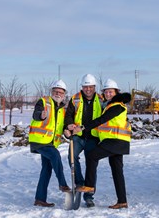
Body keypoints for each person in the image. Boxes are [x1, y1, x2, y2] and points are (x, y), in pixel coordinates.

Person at [72, 79, 132, 209]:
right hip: (117, 142)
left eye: (111, 91)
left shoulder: (117, 106)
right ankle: (122, 201)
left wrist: (82, 128)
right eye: (106, 92)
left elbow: (101, 120)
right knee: (117, 171)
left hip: (115, 141)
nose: (108, 94)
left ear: (116, 92)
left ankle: (89, 185)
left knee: (92, 155)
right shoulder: (111, 105)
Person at [29, 79, 71, 207]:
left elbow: (61, 126)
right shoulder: (44, 102)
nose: (58, 93)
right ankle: (63, 184)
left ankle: (40, 199)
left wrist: (66, 131)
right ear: (52, 92)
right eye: (56, 91)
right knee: (55, 156)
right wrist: (41, 115)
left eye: (60, 92)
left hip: (50, 142)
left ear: (64, 94)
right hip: (40, 140)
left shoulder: (63, 109)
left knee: (46, 169)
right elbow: (36, 114)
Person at [63, 73, 103, 207]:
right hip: (78, 136)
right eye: (85, 87)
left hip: (93, 137)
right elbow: (68, 115)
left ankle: (89, 195)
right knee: (72, 157)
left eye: (90, 87)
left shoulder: (101, 99)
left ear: (94, 87)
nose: (88, 89)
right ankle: (79, 183)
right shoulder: (75, 99)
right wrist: (68, 124)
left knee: (92, 165)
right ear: (82, 87)